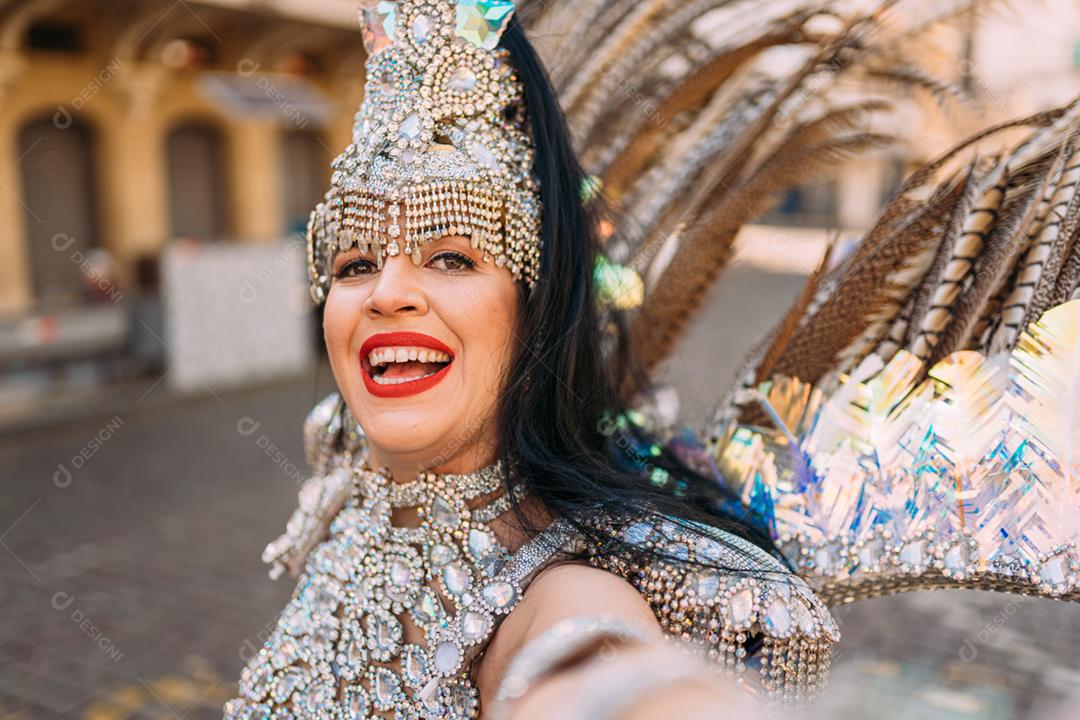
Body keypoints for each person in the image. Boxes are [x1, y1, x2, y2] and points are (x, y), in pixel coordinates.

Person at [223, 2, 836, 718]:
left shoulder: (565, 602)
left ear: (535, 310)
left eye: (451, 256)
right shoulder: (346, 504)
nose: (386, 293)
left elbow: (602, 679)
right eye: (355, 263)